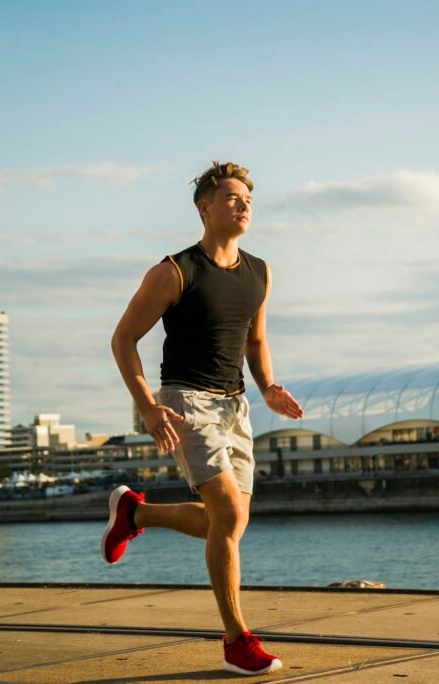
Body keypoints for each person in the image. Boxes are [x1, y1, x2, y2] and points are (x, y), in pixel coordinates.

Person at [106, 161, 304, 676]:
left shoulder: (260, 271)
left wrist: (268, 387)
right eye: (233, 198)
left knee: (231, 523)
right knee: (229, 515)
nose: (243, 206)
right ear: (205, 207)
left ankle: (135, 514)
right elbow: (123, 338)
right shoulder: (175, 271)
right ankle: (237, 640)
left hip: (235, 405)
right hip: (186, 401)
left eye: (249, 200)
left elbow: (255, 339)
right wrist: (148, 405)